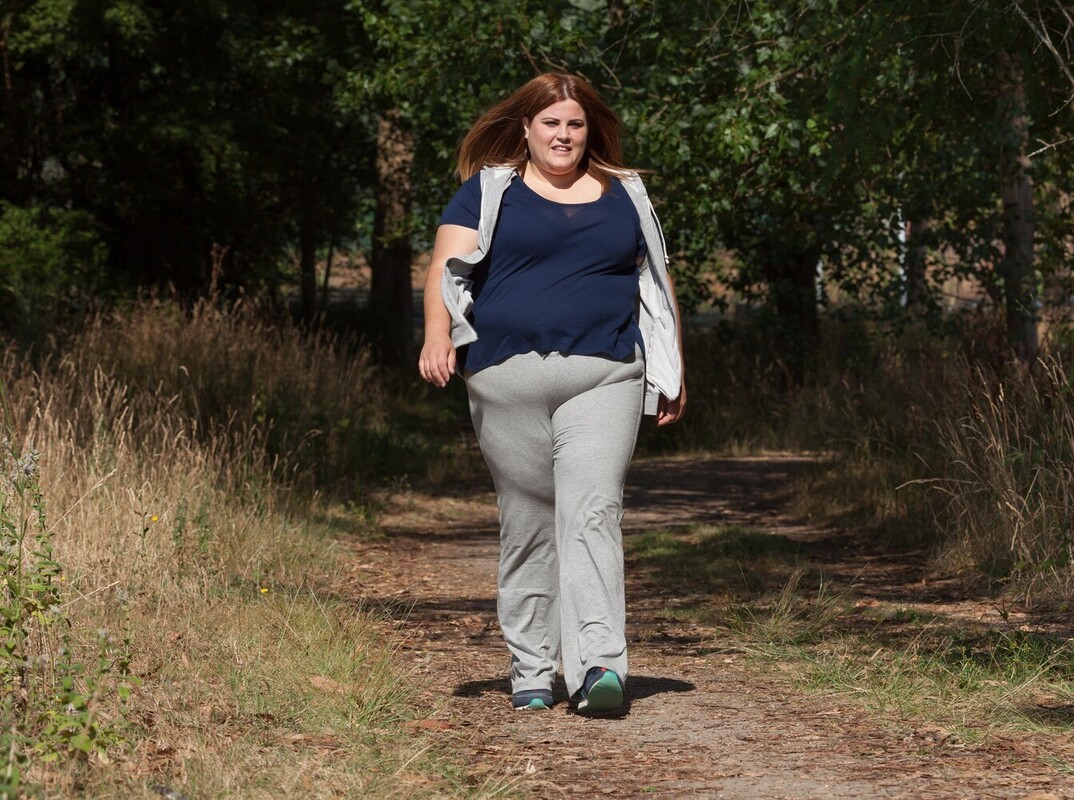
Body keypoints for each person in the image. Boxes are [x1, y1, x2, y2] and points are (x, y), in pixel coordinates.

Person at [418, 72, 686, 715]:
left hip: (606, 373)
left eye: (574, 124)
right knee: (530, 523)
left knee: (592, 514)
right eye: (550, 123)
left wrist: (673, 365)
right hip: (505, 378)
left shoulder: (627, 193)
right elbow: (444, 269)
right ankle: (533, 668)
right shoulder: (488, 192)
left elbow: (657, 279)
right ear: (526, 128)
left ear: (588, 130)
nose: (563, 135)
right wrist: (436, 336)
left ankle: (598, 667)